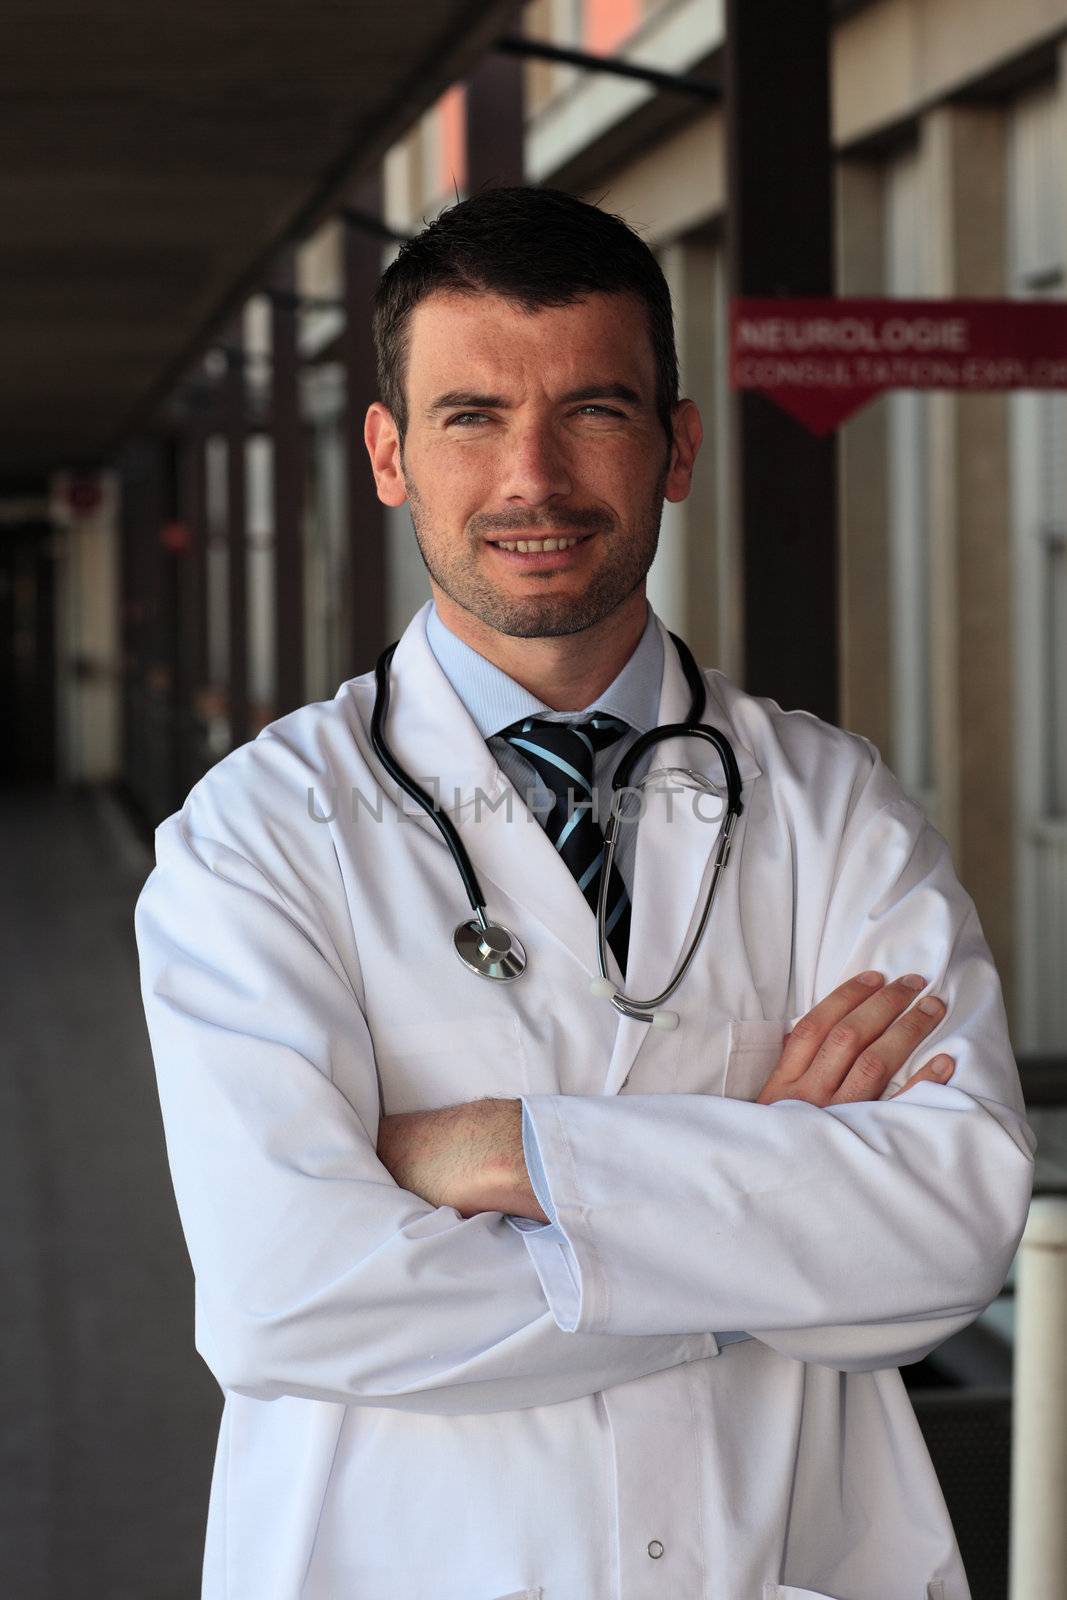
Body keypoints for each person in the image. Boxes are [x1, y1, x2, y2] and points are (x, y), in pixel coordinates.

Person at [135, 186, 1034, 1600]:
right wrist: (762, 1247)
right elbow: (286, 1300)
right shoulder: (258, 836)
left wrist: (502, 1150)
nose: (533, 479)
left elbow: (951, 1226)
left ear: (677, 446)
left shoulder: (831, 805)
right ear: (388, 452)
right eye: (471, 416)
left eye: (596, 412)